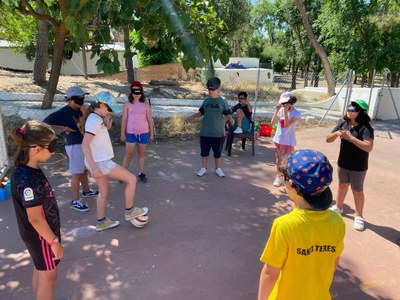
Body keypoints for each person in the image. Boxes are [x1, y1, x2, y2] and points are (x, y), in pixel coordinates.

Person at [258, 149, 345, 300]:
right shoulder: (337, 221)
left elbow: (270, 273)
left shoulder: (284, 226)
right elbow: (333, 264)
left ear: (291, 185)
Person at [10, 120, 64, 299]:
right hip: (41, 236)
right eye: (51, 147)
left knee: (42, 272)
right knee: (49, 277)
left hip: (41, 235)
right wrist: (53, 242)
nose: (54, 151)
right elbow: (35, 218)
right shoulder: (27, 178)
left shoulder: (28, 170)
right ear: (37, 149)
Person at [81, 91, 148, 231]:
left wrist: (106, 127)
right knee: (131, 179)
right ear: (101, 105)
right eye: (109, 108)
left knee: (104, 190)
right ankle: (130, 210)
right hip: (100, 163)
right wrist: (93, 168)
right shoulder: (94, 120)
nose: (110, 111)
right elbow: (85, 144)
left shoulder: (96, 119)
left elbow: (96, 139)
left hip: (98, 162)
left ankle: (101, 222)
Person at [43, 86, 98, 213]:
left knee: (83, 170)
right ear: (70, 100)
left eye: (82, 99)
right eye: (78, 100)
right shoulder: (64, 112)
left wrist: (85, 114)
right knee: (77, 173)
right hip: (74, 145)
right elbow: (45, 122)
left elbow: (86, 124)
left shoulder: (80, 110)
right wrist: (63, 127)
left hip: (83, 143)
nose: (81, 102)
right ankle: (75, 200)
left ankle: (86, 191)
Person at [326, 99, 374, 231]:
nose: (349, 112)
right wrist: (336, 133)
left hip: (358, 166)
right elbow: (327, 139)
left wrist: (350, 138)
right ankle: (339, 207)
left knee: (357, 190)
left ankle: (359, 216)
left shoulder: (366, 128)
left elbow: (368, 147)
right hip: (343, 162)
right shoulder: (343, 123)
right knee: (342, 186)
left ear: (361, 112)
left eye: (353, 110)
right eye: (349, 109)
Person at [188, 77, 234, 178]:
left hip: (218, 133)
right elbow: (201, 112)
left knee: (217, 153)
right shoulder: (207, 101)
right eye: (209, 89)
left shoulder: (223, 101)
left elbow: (227, 113)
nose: (210, 91)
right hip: (205, 132)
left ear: (219, 90)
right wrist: (193, 116)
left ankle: (218, 169)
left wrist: (231, 119)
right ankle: (203, 168)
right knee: (204, 152)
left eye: (212, 89)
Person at [120, 81, 154, 183]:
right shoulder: (127, 104)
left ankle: (141, 173)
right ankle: (122, 174)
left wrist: (151, 133)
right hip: (130, 133)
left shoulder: (146, 105)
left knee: (142, 153)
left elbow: (149, 119)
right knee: (128, 155)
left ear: (141, 92)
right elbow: (124, 119)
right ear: (131, 92)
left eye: (138, 91)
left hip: (144, 133)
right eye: (134, 91)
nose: (136, 93)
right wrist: (122, 133)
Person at [271, 92, 302, 187]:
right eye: (282, 103)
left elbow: (287, 125)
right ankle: (278, 176)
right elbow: (272, 123)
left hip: (289, 140)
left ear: (291, 102)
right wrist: (277, 111)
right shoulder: (280, 110)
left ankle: (287, 177)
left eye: (285, 103)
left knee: (288, 160)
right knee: (279, 159)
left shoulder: (297, 113)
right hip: (279, 139)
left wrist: (285, 112)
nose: (283, 105)